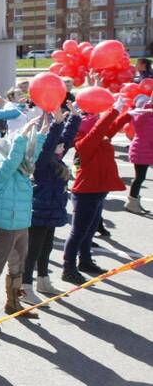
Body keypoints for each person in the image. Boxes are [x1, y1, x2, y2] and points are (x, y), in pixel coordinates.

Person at [0, 118, 46, 328]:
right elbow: (13, 160)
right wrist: (22, 135)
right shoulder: (0, 172)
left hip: (22, 225)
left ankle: (13, 303)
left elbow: (32, 156)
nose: (23, 161)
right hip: (4, 226)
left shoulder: (23, 171)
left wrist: (41, 133)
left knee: (18, 266)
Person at [61, 96, 132, 284]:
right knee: (78, 232)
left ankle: (84, 261)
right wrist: (114, 110)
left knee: (90, 229)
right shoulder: (83, 143)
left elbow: (110, 128)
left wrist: (127, 114)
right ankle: (68, 269)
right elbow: (100, 129)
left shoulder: (100, 138)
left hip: (100, 190)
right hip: (87, 192)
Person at [24, 110, 80, 303]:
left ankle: (43, 280)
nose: (64, 146)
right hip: (39, 210)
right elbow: (51, 142)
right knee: (33, 250)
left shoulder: (57, 159)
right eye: (60, 145)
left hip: (52, 211)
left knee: (46, 248)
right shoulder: (42, 160)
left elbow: (67, 138)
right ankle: (25, 287)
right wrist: (56, 123)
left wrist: (74, 118)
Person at [126, 95, 153, 214]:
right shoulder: (141, 116)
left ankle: (135, 201)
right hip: (141, 150)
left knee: (140, 178)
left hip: (148, 150)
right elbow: (144, 111)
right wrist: (149, 103)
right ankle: (132, 203)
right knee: (139, 178)